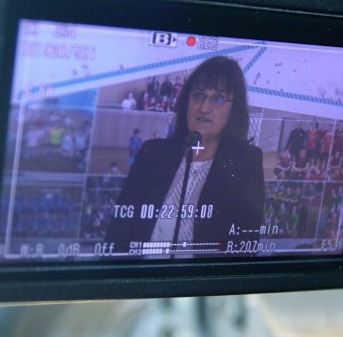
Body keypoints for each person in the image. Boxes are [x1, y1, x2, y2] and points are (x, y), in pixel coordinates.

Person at [108, 56, 265, 254]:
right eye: (198, 95)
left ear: (234, 109)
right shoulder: (152, 153)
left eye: (218, 98)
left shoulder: (245, 163)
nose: (204, 108)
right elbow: (118, 229)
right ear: (187, 101)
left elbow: (246, 243)